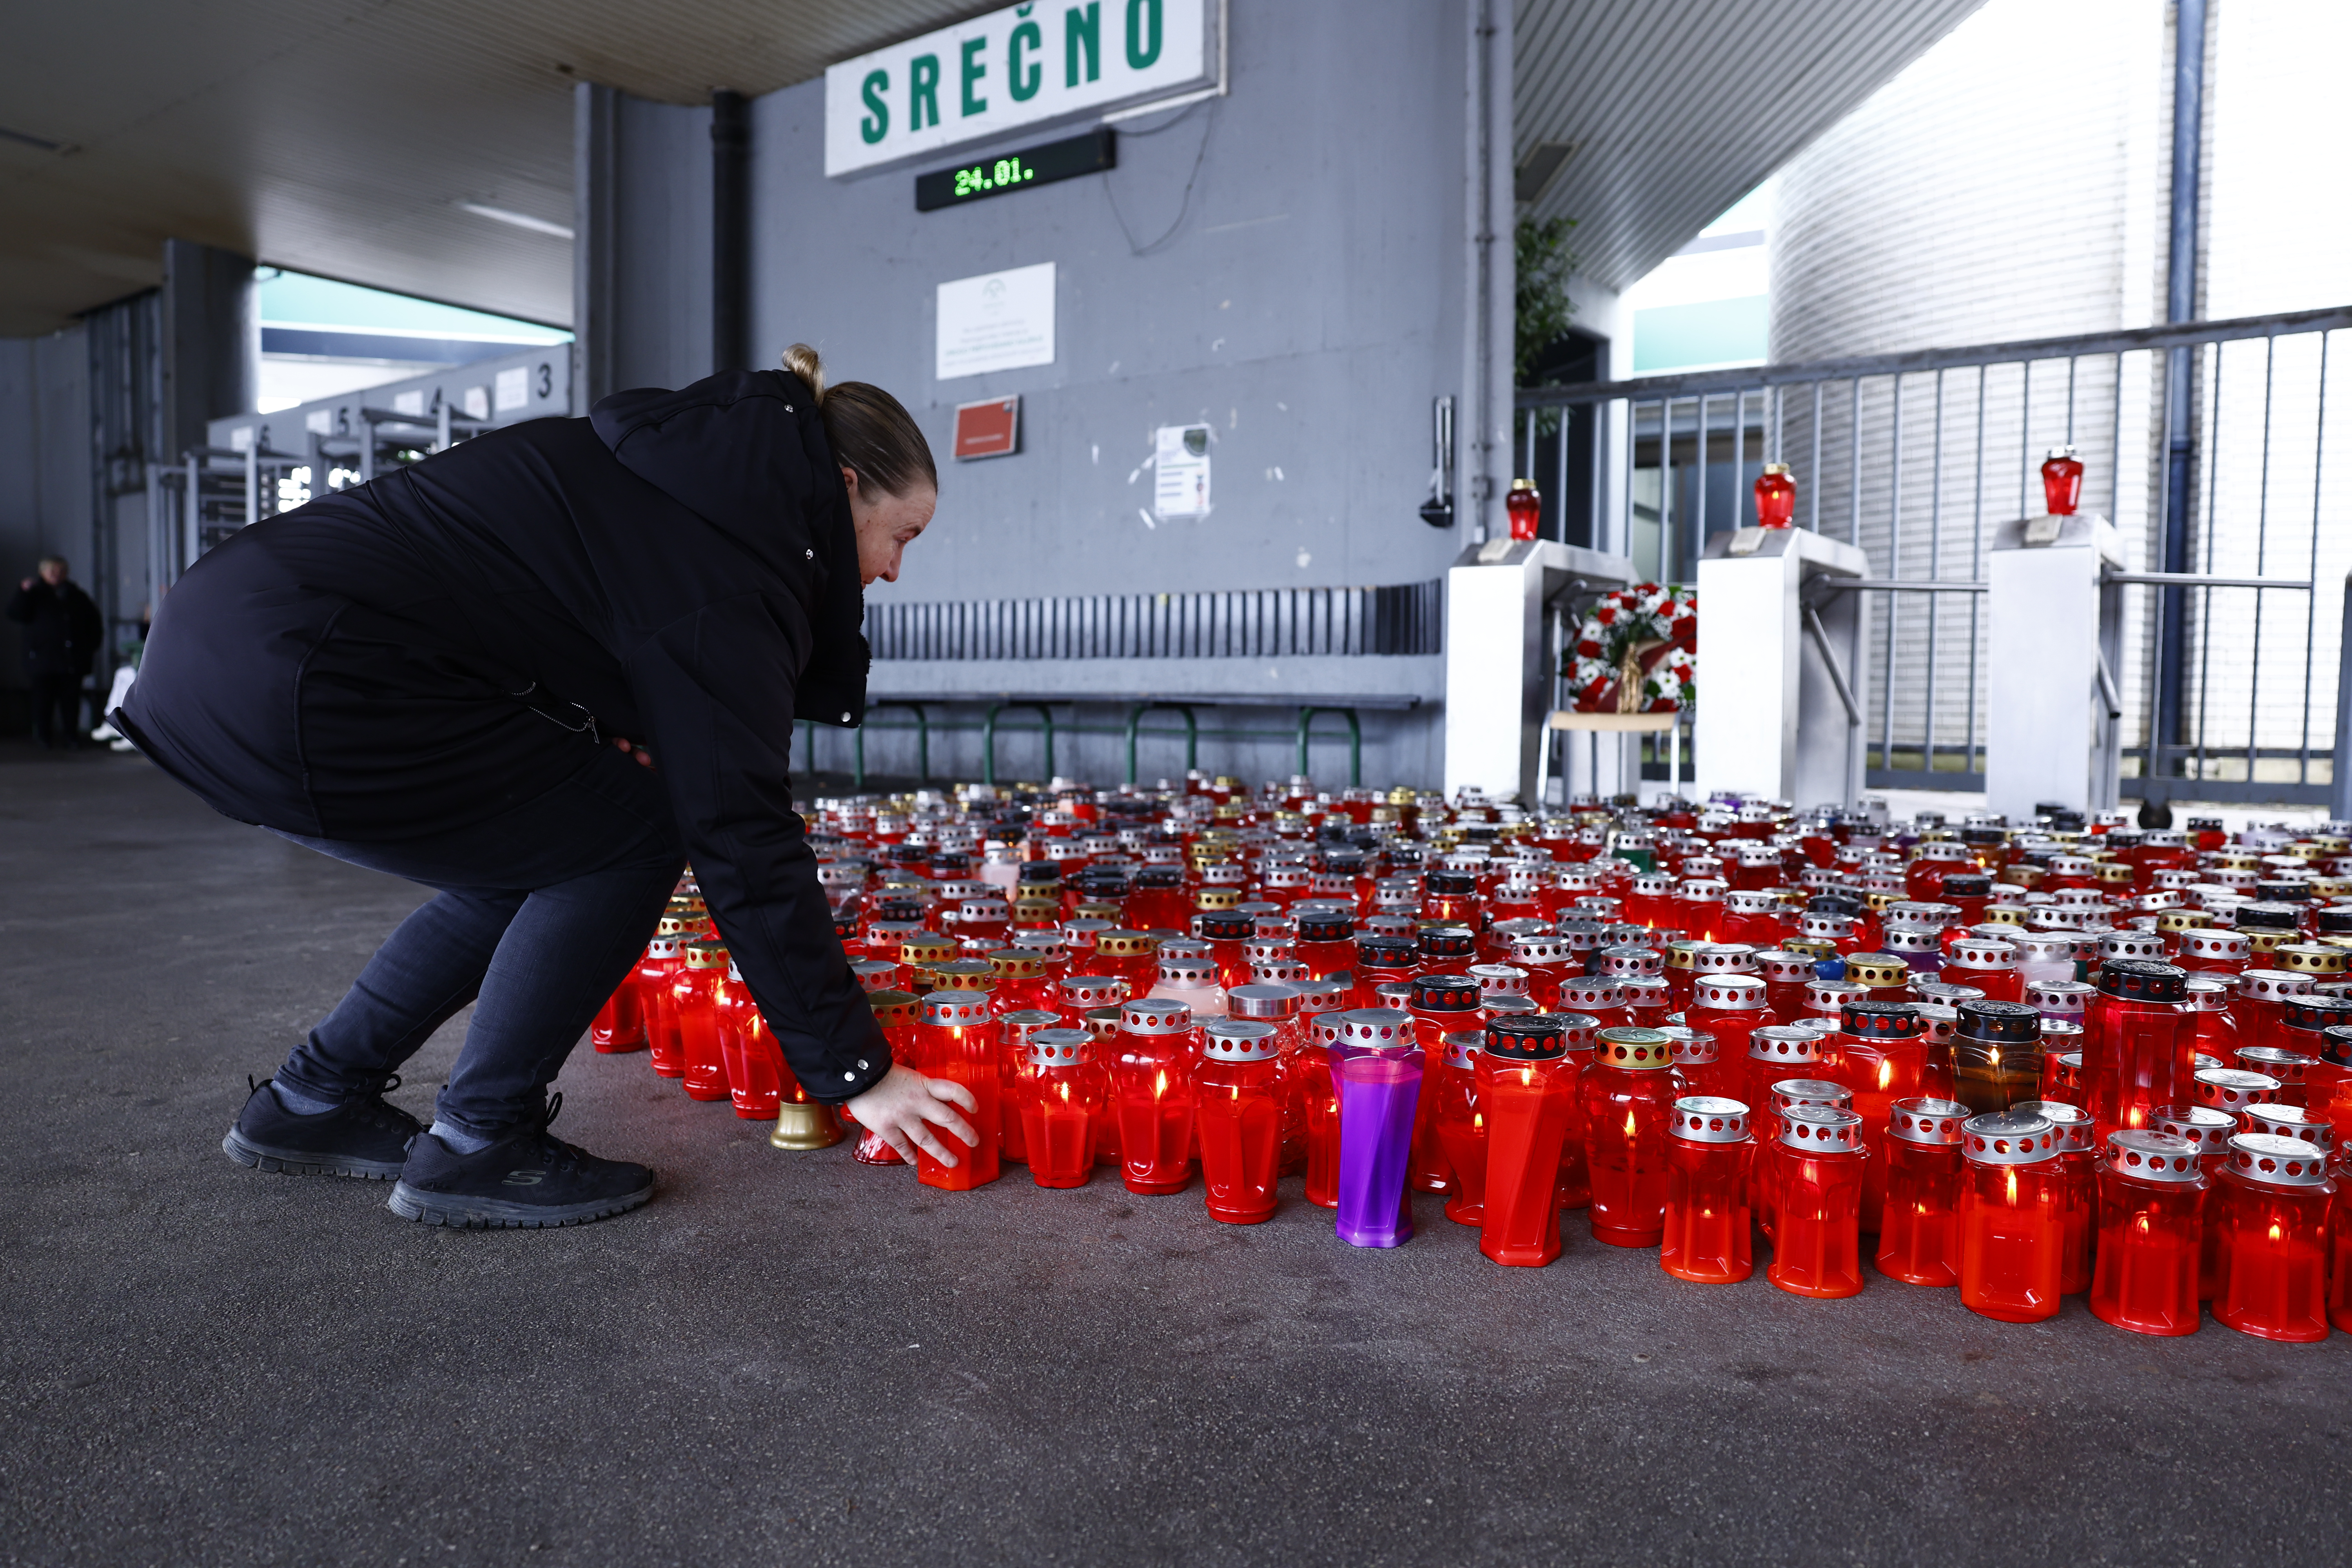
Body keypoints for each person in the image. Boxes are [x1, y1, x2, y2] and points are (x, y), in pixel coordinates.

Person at [116, 346, 980, 1228]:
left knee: (544, 848)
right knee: (640, 834)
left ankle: (313, 1098)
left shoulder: (681, 479)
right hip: (307, 672)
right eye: (901, 536)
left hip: (220, 654)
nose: (894, 572)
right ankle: (482, 1138)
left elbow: (532, 615)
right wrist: (854, 1070)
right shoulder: (733, 556)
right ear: (841, 489)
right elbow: (738, 827)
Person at [7, 555, 104, 748]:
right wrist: (23, 592)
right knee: (43, 701)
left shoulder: (76, 595)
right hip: (42, 659)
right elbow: (15, 614)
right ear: (42, 573)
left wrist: (87, 649)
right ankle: (43, 737)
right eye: (52, 571)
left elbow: (94, 624)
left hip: (72, 660)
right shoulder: (34, 594)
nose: (56, 575)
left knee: (71, 701)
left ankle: (71, 736)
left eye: (60, 571)